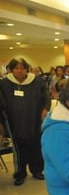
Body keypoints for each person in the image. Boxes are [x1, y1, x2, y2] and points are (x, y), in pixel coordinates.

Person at [0, 57, 50, 186]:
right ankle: (20, 174)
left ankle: (37, 170)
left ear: (26, 69)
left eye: (22, 68)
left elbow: (46, 97)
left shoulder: (37, 81)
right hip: (14, 122)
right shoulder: (4, 83)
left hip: (34, 120)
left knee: (35, 147)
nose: (19, 71)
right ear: (11, 70)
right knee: (19, 149)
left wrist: (45, 109)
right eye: (16, 68)